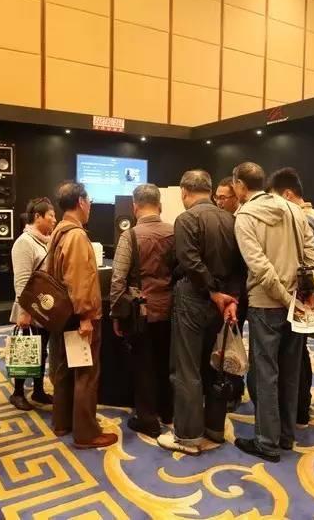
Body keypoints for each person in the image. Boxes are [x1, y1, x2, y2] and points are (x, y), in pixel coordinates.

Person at [232, 162, 314, 463]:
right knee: (290, 371)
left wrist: (283, 297)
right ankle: (285, 435)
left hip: (266, 304)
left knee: (265, 374)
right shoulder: (295, 209)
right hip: (297, 302)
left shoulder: (245, 216)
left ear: (240, 185)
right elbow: (313, 255)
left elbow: (259, 266)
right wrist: (300, 296)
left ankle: (267, 442)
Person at [157, 170, 243, 456]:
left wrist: (212, 291)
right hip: (223, 301)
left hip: (194, 297)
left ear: (184, 191)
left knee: (186, 368)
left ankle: (188, 435)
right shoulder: (231, 219)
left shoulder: (186, 219)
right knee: (215, 363)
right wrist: (230, 298)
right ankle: (214, 428)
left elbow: (189, 262)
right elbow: (240, 265)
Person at [47, 181, 117, 449]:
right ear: (80, 202)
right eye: (89, 201)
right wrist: (86, 316)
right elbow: (79, 280)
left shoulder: (58, 231)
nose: (90, 207)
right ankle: (87, 433)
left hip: (63, 313)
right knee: (86, 372)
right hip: (79, 316)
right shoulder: (76, 235)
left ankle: (62, 421)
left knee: (65, 368)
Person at [110, 184, 175, 438]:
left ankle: (147, 419)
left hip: (141, 312)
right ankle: (167, 411)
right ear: (160, 205)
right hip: (171, 308)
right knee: (166, 361)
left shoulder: (130, 236)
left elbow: (118, 279)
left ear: (134, 207)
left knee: (143, 365)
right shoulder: (174, 232)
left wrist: (117, 314)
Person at [266, 167, 314, 428]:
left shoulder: (300, 218)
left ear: (288, 194)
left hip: (296, 295)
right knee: (299, 354)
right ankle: (300, 410)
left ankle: (298, 412)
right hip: (308, 293)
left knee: (294, 360)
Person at [8, 197, 57, 411]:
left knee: (41, 350)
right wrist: (25, 311)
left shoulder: (45, 241)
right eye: (51, 216)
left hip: (44, 308)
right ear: (38, 216)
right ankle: (18, 393)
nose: (54, 220)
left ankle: (38, 390)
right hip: (29, 309)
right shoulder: (24, 242)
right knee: (25, 349)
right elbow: (21, 281)